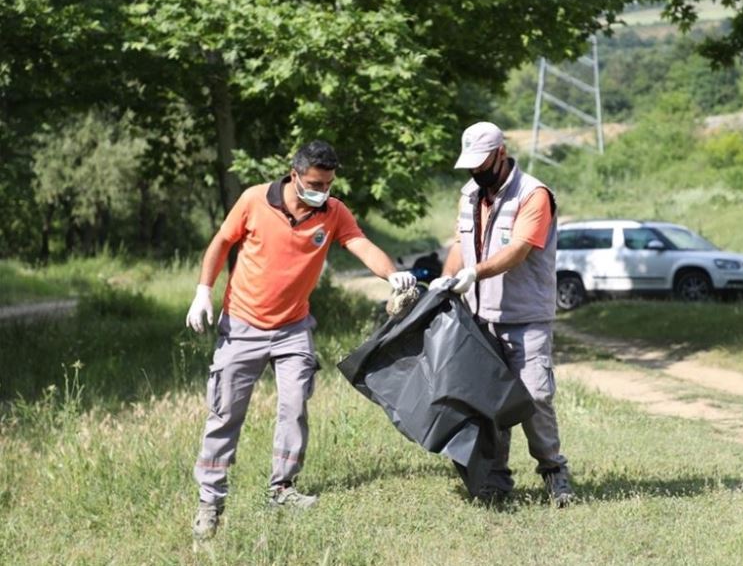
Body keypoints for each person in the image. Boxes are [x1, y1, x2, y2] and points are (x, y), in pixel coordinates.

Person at [185, 140, 416, 540]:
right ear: (294, 175)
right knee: (225, 414)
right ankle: (210, 502)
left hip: (294, 328)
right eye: (314, 182)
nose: (321, 191)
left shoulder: (333, 212)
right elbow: (222, 242)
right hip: (243, 325)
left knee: (294, 407)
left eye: (327, 183)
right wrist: (204, 290)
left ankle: (282, 488)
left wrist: (390, 274)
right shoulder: (255, 200)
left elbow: (359, 243)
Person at [431, 122, 574, 507]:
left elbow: (520, 250)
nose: (476, 171)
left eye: (482, 162)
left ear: (501, 153)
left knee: (534, 397)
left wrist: (475, 273)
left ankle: (553, 471)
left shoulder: (534, 195)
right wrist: (445, 281)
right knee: (486, 401)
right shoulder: (470, 194)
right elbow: (461, 242)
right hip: (479, 316)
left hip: (526, 316)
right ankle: (494, 481)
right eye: (471, 165)